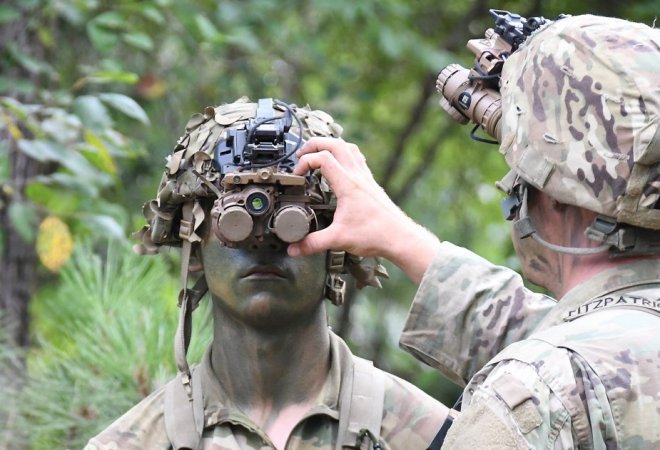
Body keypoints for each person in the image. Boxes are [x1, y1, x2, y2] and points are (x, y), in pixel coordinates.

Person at [287, 14, 660, 449]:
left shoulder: (535, 396)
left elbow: (568, 370)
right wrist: (397, 235)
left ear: (552, 194)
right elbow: (579, 337)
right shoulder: (600, 354)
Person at [85, 97, 448, 450]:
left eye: (293, 214)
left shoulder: (432, 436)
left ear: (338, 245)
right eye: (234, 216)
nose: (263, 241)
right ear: (193, 245)